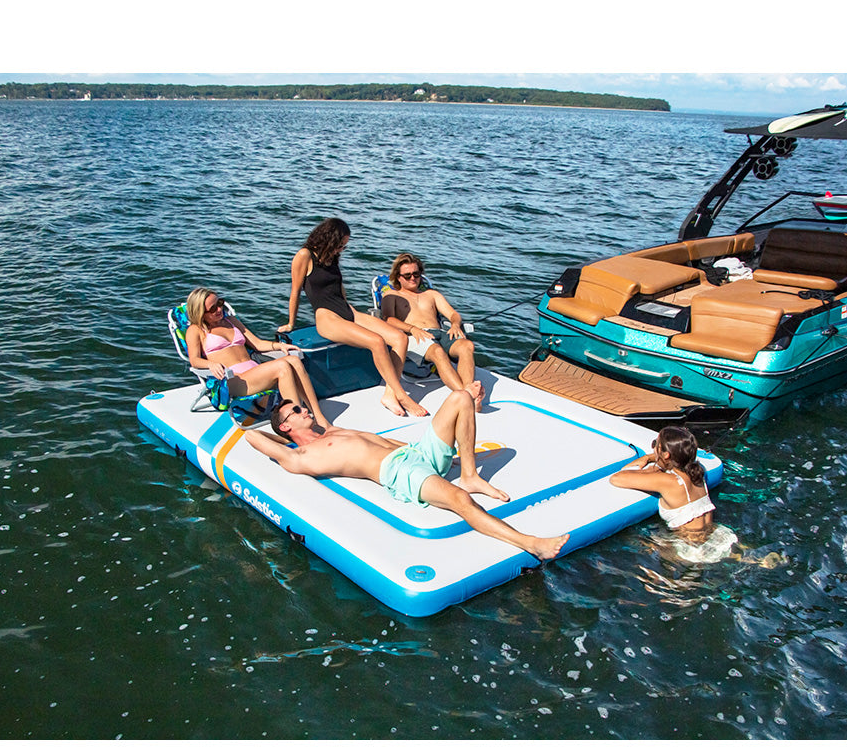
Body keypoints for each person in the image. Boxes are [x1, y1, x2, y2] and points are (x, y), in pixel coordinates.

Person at [245, 389, 570, 561]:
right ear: (285, 426)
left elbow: (385, 442)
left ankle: (470, 473)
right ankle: (531, 544)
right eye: (297, 410)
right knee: (460, 499)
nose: (305, 409)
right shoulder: (301, 457)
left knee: (461, 397)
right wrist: (281, 435)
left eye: (302, 405)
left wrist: (444, 456)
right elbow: (252, 436)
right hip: (400, 471)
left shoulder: (333, 430)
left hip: (415, 452)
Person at [277, 217, 428, 418]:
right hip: (327, 316)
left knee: (400, 338)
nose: (341, 249)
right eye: (340, 245)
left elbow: (338, 288)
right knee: (376, 341)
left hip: (347, 311)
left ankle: (390, 394)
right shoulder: (304, 256)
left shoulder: (331, 257)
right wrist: (290, 323)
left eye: (344, 246)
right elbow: (295, 291)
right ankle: (401, 395)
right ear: (329, 239)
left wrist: (351, 311)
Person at [185, 286, 331, 430]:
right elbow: (194, 360)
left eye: (220, 303)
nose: (218, 309)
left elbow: (257, 343)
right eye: (212, 309)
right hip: (233, 379)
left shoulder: (230, 321)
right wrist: (210, 364)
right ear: (200, 312)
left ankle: (319, 417)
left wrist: (280, 346)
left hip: (255, 372)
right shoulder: (196, 330)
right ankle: (296, 426)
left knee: (294, 360)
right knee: (282, 367)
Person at [610, 425, 739, 562]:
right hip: (718, 536)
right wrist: (652, 457)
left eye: (655, 444)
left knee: (631, 540)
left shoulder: (669, 481)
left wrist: (648, 462)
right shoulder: (698, 470)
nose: (653, 448)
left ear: (666, 455)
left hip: (689, 550)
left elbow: (617, 478)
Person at [380, 251, 484, 410]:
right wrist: (412, 329)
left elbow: (453, 314)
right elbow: (388, 319)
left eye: (416, 274)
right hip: (413, 335)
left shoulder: (431, 294)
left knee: (467, 345)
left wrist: (455, 324)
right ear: (398, 277)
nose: (413, 278)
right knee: (437, 351)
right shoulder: (392, 294)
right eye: (407, 275)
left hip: (439, 333)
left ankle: (467, 392)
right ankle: (468, 396)